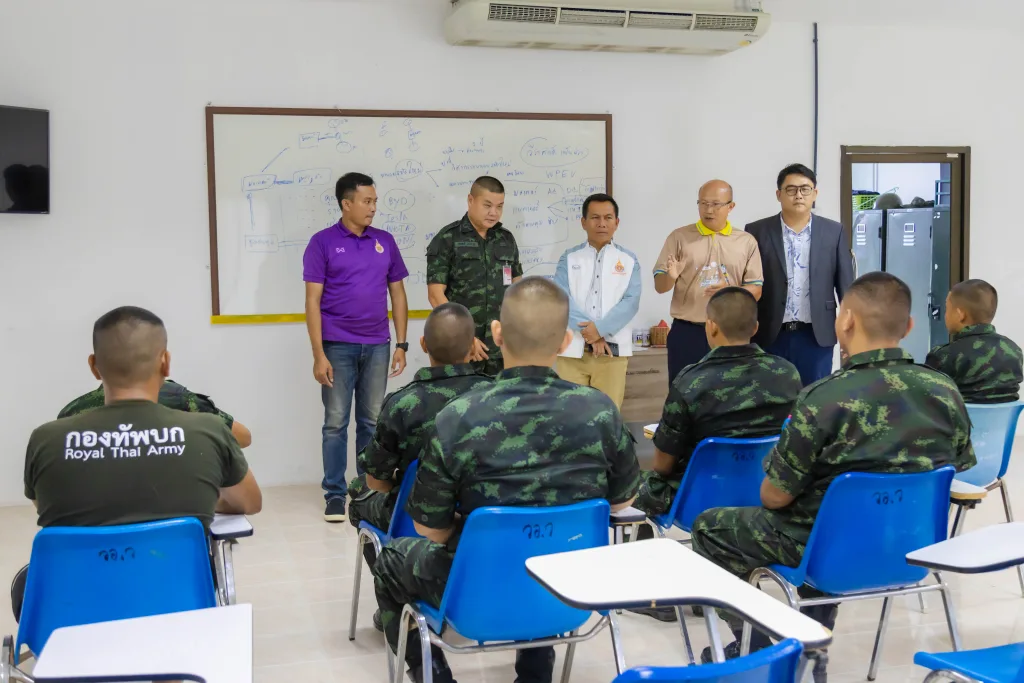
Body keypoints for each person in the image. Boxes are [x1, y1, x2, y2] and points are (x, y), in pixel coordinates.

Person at [689, 273, 976, 679]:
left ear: (846, 321)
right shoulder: (944, 390)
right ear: (909, 325)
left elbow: (774, 496)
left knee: (710, 528)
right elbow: (957, 467)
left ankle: (759, 651)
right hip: (913, 546)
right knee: (821, 520)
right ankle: (812, 643)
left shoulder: (823, 397)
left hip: (827, 549)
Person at [373, 277, 640, 683]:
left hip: (477, 587)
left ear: (497, 334)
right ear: (565, 340)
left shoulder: (459, 417)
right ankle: (535, 674)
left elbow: (430, 530)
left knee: (391, 560)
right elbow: (622, 503)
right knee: (548, 546)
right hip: (571, 587)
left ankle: (435, 675)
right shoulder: (600, 411)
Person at [14, 306, 262, 620]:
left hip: (76, 615)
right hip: (179, 604)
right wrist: (199, 501)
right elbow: (250, 502)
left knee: (26, 584)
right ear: (165, 362)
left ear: (94, 366)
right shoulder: (208, 430)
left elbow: (49, 509)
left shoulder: (46, 440)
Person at [348, 302, 491, 577]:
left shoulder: (402, 404)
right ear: (473, 345)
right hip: (478, 513)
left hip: (415, 518)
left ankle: (395, 582)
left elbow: (376, 481)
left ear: (423, 344)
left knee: (358, 497)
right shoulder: (494, 396)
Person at [304, 172, 410, 523]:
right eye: (367, 201)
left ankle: (366, 491)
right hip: (337, 346)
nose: (373, 207)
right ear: (346, 203)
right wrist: (318, 354)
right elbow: (312, 301)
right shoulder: (322, 243)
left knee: (372, 422)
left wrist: (401, 343)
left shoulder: (385, 241)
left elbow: (397, 293)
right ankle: (334, 494)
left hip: (378, 345)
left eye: (375, 201)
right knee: (335, 423)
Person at [745, 164, 855, 386]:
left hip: (816, 335)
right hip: (769, 333)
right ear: (779, 194)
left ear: (815, 193)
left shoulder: (833, 231)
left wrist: (851, 333)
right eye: (791, 189)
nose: (799, 195)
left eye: (805, 189)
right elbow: (748, 282)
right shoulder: (756, 231)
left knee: (813, 396)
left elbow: (846, 287)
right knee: (769, 395)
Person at [654, 180, 763, 385]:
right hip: (688, 332)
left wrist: (730, 291)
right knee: (683, 390)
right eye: (703, 203)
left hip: (730, 332)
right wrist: (671, 277)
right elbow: (660, 287)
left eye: (715, 204)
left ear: (731, 206)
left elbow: (756, 290)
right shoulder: (679, 237)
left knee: (728, 392)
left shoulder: (746, 241)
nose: (708, 210)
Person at [426, 176, 523, 376]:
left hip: (501, 349)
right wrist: (464, 337)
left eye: (499, 206)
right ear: (471, 200)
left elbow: (517, 290)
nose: (494, 212)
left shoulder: (506, 239)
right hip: (461, 349)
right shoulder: (448, 238)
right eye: (487, 205)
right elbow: (435, 295)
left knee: (500, 396)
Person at [552, 193, 641, 407]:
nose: (602, 223)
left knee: (607, 415)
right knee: (569, 415)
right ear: (583, 222)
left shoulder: (629, 260)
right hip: (572, 351)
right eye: (595, 217)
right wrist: (591, 334)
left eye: (608, 218)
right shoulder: (568, 258)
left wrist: (600, 329)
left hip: (612, 354)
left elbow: (631, 302)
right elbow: (561, 298)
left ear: (616, 222)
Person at [58, 380, 252, 448]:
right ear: (163, 361)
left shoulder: (71, 414)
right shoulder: (178, 399)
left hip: (95, 527)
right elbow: (243, 438)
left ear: (95, 365)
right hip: (175, 521)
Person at [926, 279, 1023, 403]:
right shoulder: (1014, 350)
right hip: (1004, 417)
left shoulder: (943, 355)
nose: (945, 315)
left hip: (961, 416)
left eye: (947, 308)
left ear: (960, 314)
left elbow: (926, 401)